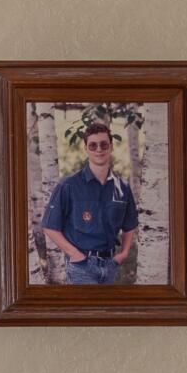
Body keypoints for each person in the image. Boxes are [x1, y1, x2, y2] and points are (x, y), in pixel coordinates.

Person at [39, 119, 140, 285]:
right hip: (81, 267)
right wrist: (75, 254)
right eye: (93, 145)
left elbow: (129, 225)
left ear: (111, 147)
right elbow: (49, 226)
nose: (99, 149)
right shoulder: (69, 185)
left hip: (111, 265)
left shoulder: (122, 187)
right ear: (85, 148)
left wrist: (124, 253)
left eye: (104, 145)